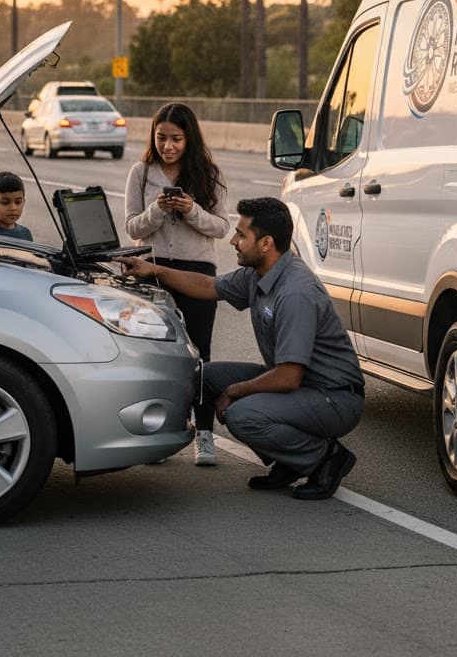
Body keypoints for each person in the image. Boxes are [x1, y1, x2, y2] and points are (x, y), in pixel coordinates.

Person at [119, 197, 364, 501]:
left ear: (266, 244)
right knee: (204, 377)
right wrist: (152, 270)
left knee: (242, 414)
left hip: (334, 397)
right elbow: (209, 286)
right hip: (302, 385)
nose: (233, 241)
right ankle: (289, 461)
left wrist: (235, 391)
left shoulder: (295, 293)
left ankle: (325, 458)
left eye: (241, 235)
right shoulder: (258, 273)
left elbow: (288, 377)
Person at [124, 102, 229, 467]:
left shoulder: (207, 172)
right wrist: (157, 209)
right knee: (153, 354)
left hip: (197, 271)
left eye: (176, 139)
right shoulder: (141, 172)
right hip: (151, 268)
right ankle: (160, 430)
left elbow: (221, 227)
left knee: (199, 354)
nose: (168, 145)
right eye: (161, 138)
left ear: (189, 139)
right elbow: (133, 228)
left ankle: (204, 433)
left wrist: (190, 210)